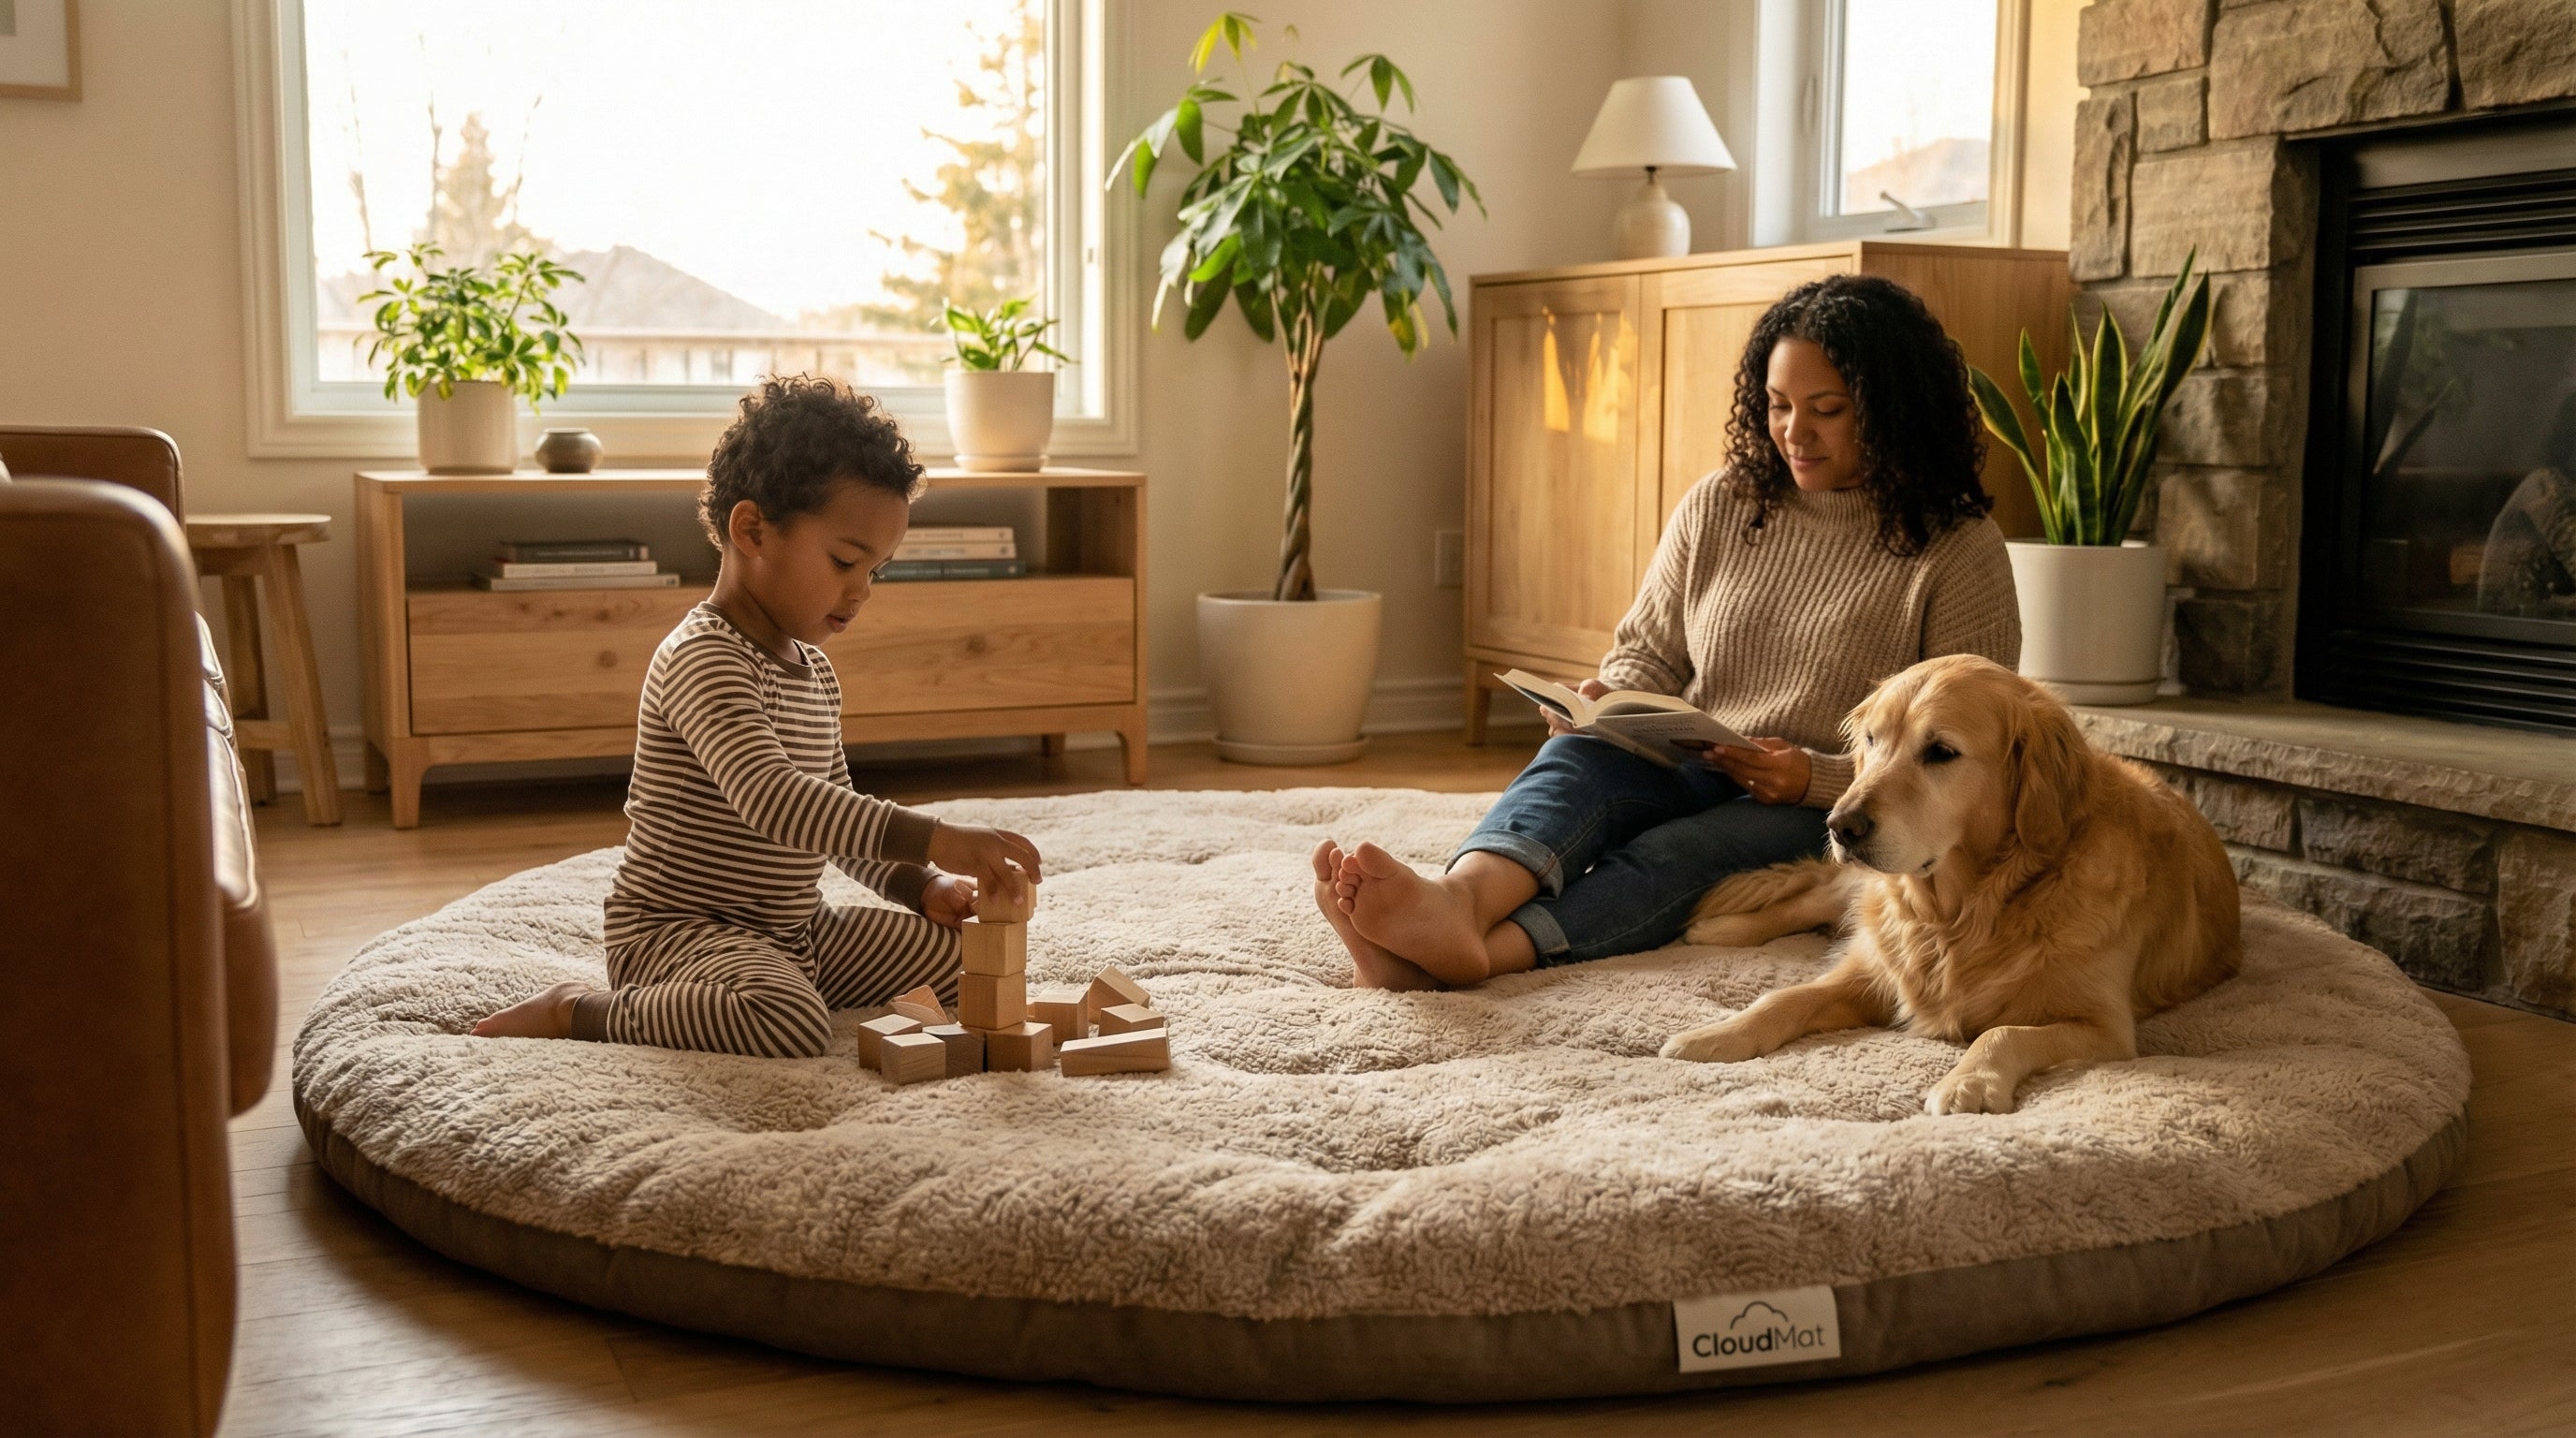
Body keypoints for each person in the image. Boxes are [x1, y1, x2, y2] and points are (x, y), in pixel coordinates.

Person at [1317, 273, 2021, 990]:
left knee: (1677, 852)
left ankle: (1481, 954)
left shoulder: (1959, 550)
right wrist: (1604, 703)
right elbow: (1648, 653)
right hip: (1690, 759)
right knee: (1573, 768)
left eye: (1827, 410)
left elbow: (1968, 757)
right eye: (1777, 405)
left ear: (1894, 412)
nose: (1793, 433)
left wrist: (1814, 777)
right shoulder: (1720, 503)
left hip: (1824, 806)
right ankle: (1457, 903)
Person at [474, 374, 1042, 1054]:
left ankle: (780, 978)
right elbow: (775, 802)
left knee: (963, 957)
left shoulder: (816, 672)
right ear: (752, 531)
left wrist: (921, 884)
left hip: (798, 927)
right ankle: (579, 1011)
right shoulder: (703, 658)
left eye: (876, 571)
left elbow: (833, 817)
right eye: (844, 561)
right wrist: (936, 839)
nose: (861, 591)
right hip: (677, 933)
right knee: (787, 1022)